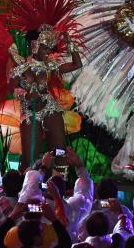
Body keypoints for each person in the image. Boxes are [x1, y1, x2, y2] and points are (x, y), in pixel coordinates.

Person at [6, 25, 83, 167]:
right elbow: (12, 87)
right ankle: (28, 186)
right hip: (30, 111)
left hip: (50, 108)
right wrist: (18, 91)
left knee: (60, 152)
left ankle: (59, 185)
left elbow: (77, 64)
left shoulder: (50, 65)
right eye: (45, 48)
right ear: (34, 45)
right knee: (29, 159)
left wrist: (69, 43)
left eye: (50, 48)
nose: (48, 52)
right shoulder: (21, 64)